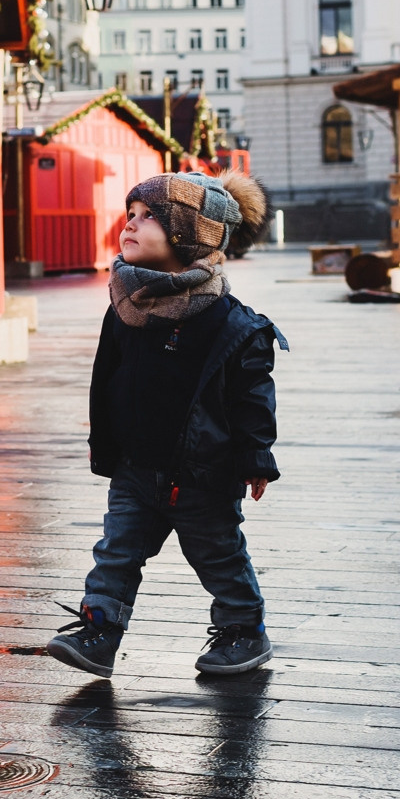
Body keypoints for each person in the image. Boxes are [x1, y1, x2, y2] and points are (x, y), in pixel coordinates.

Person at [46, 170, 286, 678]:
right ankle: (99, 633)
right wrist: (105, 446)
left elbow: (252, 400)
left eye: (148, 216)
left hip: (205, 472)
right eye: (129, 214)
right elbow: (106, 381)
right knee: (116, 552)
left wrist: (255, 456)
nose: (129, 225)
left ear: (188, 235)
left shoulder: (234, 324)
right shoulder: (126, 307)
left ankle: (245, 630)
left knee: (219, 556)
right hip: (137, 468)